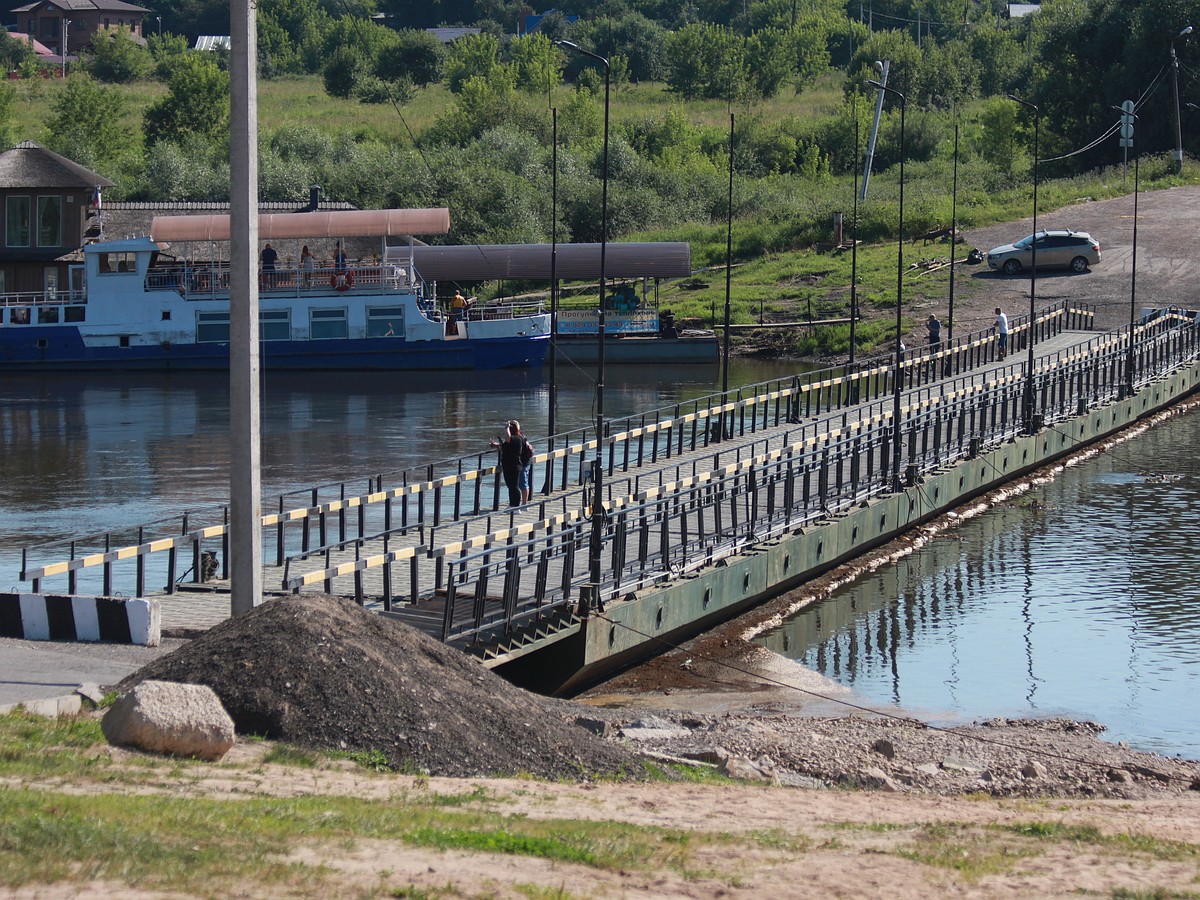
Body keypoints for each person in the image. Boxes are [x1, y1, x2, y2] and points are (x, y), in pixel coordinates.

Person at [490, 420, 534, 507]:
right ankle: (513, 504)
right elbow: (506, 446)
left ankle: (517, 506)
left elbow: (508, 439)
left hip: (515, 465)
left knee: (515, 486)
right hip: (511, 465)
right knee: (512, 486)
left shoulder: (517, 438)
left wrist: (506, 428)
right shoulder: (515, 439)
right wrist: (496, 445)